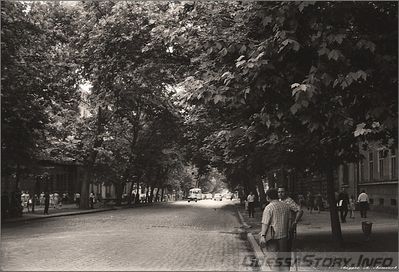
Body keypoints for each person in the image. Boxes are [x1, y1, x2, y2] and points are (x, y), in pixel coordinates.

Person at [259, 188, 291, 271]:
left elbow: (265, 223)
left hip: (272, 237)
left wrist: (263, 236)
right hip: (284, 236)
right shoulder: (286, 206)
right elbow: (289, 221)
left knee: (273, 259)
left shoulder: (269, 208)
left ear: (268, 197)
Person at [278, 186, 303, 253]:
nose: (280, 194)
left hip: (288, 227)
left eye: (282, 192)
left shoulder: (289, 201)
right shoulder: (279, 200)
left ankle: (287, 262)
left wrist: (295, 222)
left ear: (285, 192)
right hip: (280, 228)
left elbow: (300, 211)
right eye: (279, 192)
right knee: (281, 249)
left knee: (287, 248)